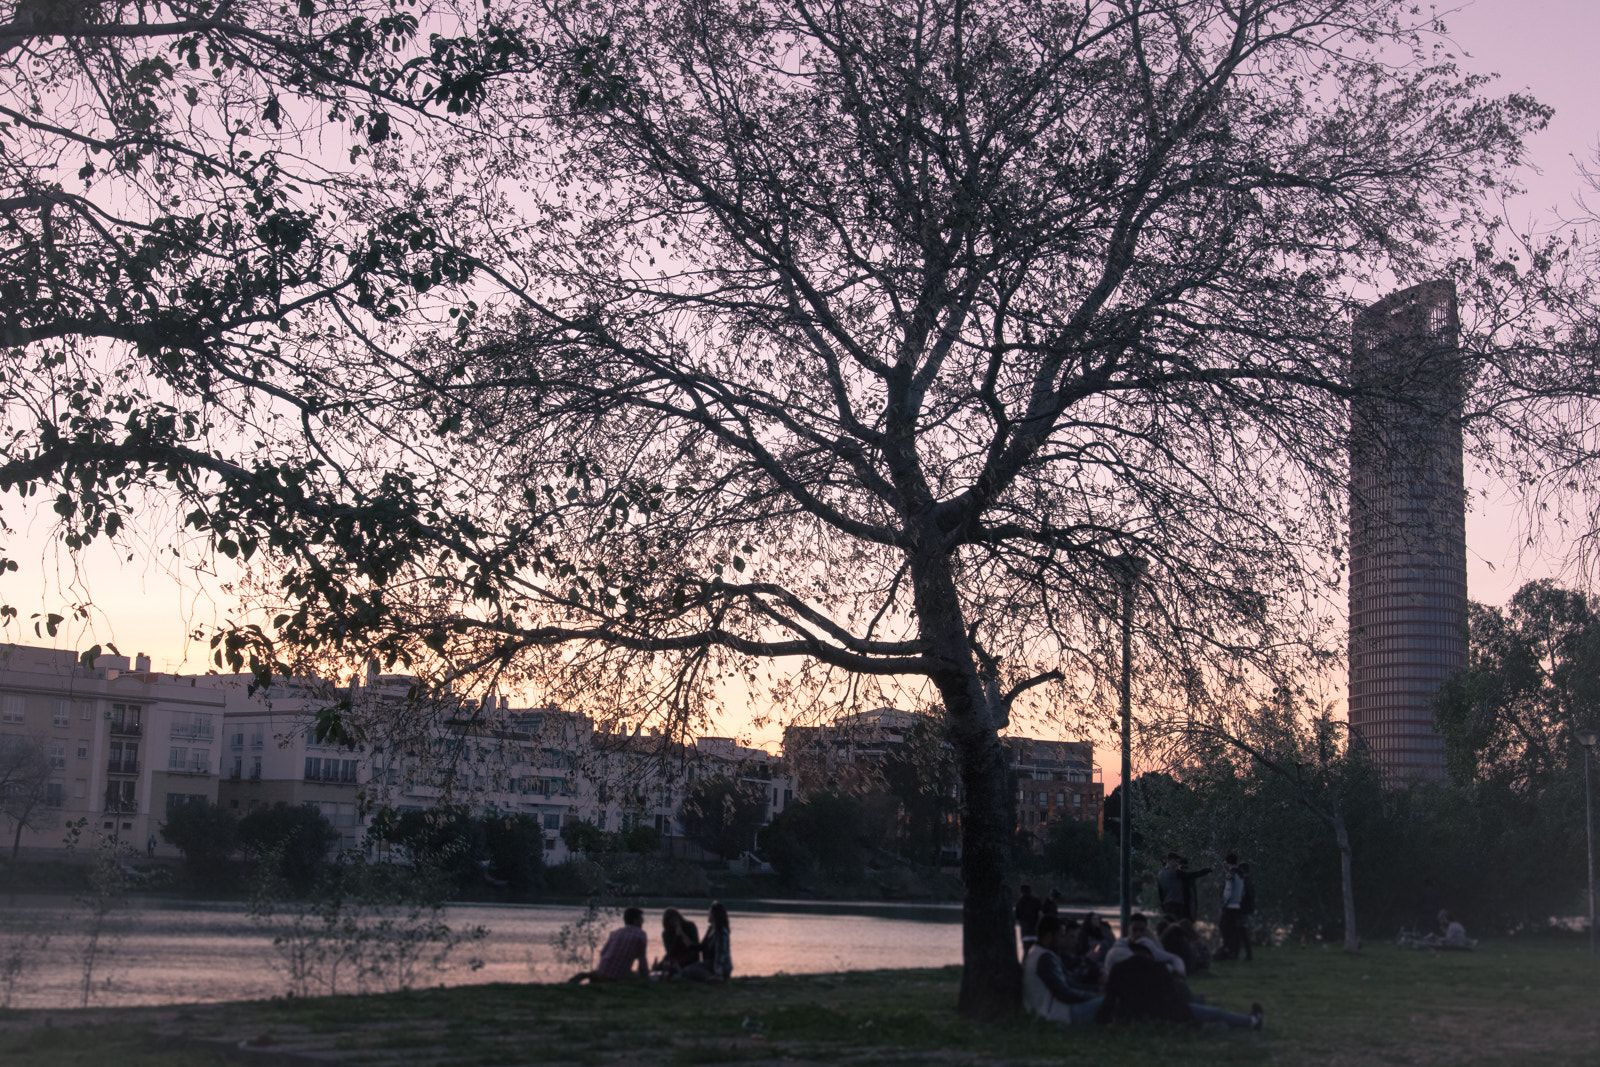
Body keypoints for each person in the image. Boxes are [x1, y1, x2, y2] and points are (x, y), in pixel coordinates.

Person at [1096, 942, 1263, 1029]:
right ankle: (1251, 1021)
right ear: (1148, 953)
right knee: (1214, 1013)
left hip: (1134, 1016)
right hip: (1169, 1013)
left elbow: (1109, 1000)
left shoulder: (1118, 970)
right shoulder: (1156, 968)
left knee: (1208, 1016)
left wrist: (1104, 1021)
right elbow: (1173, 993)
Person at [1022, 915, 1103, 1024]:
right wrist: (1094, 995)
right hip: (1057, 1014)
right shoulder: (1044, 958)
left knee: (1108, 999)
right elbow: (1064, 993)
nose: (1063, 940)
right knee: (1112, 1002)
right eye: (1061, 936)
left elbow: (1070, 982)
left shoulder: (1040, 953)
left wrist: (1097, 990)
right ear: (1049, 936)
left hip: (1056, 1011)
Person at [569, 907, 649, 982]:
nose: (643, 921)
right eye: (641, 919)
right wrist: (645, 976)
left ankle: (594, 975)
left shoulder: (615, 933)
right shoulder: (641, 935)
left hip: (603, 969)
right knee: (635, 976)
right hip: (619, 976)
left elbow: (603, 953)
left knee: (609, 972)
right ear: (635, 920)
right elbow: (642, 960)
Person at [1103, 912, 1188, 981]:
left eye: (1141, 930)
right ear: (1128, 930)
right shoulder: (1118, 950)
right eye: (1135, 930)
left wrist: (1178, 971)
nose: (1138, 934)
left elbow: (1174, 958)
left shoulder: (1147, 944)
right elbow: (1143, 964)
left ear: (1146, 931)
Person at [683, 901, 733, 981]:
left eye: (709, 912)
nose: (708, 914)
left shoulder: (722, 932)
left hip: (719, 966)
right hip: (709, 963)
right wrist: (687, 941)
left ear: (714, 914)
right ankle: (710, 978)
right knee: (687, 970)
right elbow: (702, 946)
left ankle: (715, 978)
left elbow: (721, 952)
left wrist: (718, 968)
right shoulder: (710, 929)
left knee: (690, 970)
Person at [654, 907, 701, 976]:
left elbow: (695, 946)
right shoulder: (666, 933)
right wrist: (677, 936)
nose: (674, 922)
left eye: (675, 919)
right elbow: (670, 951)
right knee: (667, 961)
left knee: (673, 963)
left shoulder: (690, 926)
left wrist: (681, 933)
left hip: (690, 957)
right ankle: (660, 967)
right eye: (671, 920)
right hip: (675, 958)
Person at [1216, 854, 1245, 961]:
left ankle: (1227, 950)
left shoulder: (1230, 874)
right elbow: (1242, 891)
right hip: (1237, 904)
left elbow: (1228, 891)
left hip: (1229, 906)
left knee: (1225, 929)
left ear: (1227, 863)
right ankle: (1235, 951)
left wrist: (1223, 903)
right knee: (1235, 930)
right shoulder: (1241, 874)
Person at [1236, 861, 1256, 961]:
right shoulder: (1249, 882)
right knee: (1242, 933)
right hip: (1245, 911)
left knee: (1242, 932)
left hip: (1242, 911)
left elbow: (1244, 897)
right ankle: (1245, 954)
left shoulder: (1245, 883)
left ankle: (1247, 955)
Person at [1015, 884, 1043, 948]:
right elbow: (1040, 915)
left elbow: (1018, 918)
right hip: (1035, 930)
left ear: (1021, 892)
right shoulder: (1036, 901)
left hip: (1025, 931)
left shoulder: (1019, 903)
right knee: (1036, 949)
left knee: (1026, 950)